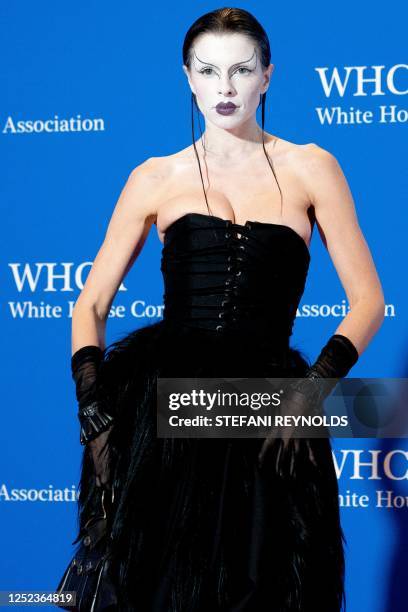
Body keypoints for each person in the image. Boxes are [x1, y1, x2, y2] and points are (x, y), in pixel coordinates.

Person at [67, 7, 385, 611]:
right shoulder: (154, 177)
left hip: (270, 410)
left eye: (241, 70)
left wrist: (313, 391)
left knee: (266, 581)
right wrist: (90, 399)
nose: (226, 88)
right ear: (188, 77)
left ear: (268, 75)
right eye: (209, 71)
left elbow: (368, 301)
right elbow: (91, 304)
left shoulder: (313, 166)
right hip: (164, 408)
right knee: (158, 585)